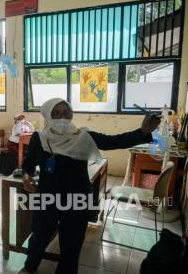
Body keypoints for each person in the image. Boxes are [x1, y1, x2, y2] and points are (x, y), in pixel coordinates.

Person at [19, 98, 161, 274]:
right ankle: (29, 267)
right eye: (56, 113)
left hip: (77, 197)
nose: (62, 117)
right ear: (47, 115)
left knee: (71, 243)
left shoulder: (84, 136)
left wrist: (142, 132)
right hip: (47, 196)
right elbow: (28, 163)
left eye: (66, 112)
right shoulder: (39, 138)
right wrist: (26, 175)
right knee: (39, 235)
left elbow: (114, 141)